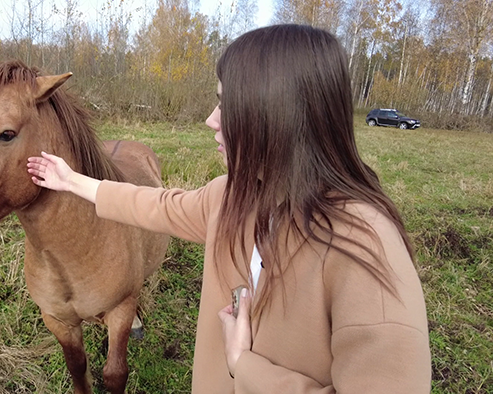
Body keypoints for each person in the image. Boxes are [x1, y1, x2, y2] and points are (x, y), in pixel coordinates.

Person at [27, 24, 431, 393]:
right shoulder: (233, 196)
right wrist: (71, 181)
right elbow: (157, 205)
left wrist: (244, 365)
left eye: (226, 104)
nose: (209, 120)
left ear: (278, 115)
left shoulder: (365, 249)